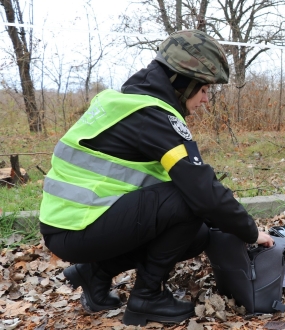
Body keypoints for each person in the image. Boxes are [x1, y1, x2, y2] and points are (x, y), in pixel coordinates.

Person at [38, 30, 273, 326]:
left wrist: (222, 223)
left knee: (196, 234)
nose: (205, 100)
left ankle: (94, 274)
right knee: (190, 203)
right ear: (182, 82)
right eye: (203, 90)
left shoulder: (125, 101)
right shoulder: (154, 116)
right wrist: (251, 233)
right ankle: (147, 298)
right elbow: (203, 192)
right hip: (78, 227)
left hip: (69, 225)